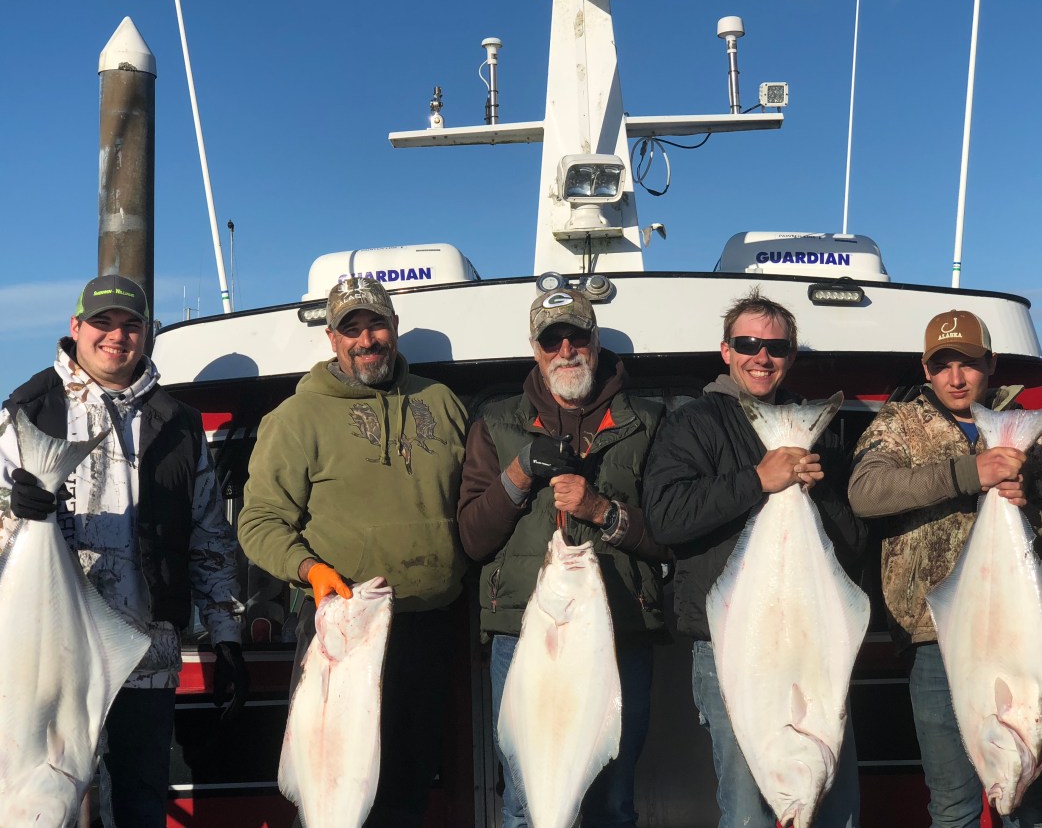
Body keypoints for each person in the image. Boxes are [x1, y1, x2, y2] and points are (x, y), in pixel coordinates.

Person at [0, 274, 247, 827]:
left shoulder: (178, 423)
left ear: (146, 333)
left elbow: (209, 535)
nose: (116, 336)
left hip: (145, 658)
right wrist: (14, 509)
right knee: (45, 802)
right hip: (47, 662)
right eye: (102, 323)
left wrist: (226, 637)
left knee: (140, 804)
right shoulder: (27, 409)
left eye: (130, 325)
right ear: (76, 328)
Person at [238, 275, 468, 828]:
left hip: (426, 628)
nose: (367, 340)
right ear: (332, 339)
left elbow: (473, 502)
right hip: (341, 632)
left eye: (377, 325)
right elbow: (258, 521)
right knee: (331, 789)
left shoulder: (442, 402)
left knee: (408, 792)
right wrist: (309, 569)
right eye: (352, 329)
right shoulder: (296, 418)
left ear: (395, 328)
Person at [642, 289, 865, 828]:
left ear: (790, 356)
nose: (761, 357)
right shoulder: (693, 424)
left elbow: (853, 544)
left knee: (836, 808)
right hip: (734, 648)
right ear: (725, 351)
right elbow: (666, 517)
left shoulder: (808, 430)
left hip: (812, 650)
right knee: (748, 810)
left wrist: (816, 492)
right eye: (748, 344)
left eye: (776, 347)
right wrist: (756, 481)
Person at [848, 309, 1042, 828]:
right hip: (933, 640)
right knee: (952, 803)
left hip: (1026, 637)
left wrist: (1026, 512)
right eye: (942, 364)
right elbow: (866, 493)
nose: (956, 377)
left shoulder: (1036, 436)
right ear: (926, 369)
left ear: (989, 365)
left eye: (968, 364)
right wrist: (970, 473)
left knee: (1030, 798)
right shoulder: (898, 424)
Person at [457, 287, 668, 828]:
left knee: (613, 800)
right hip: (526, 637)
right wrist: (519, 474)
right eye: (553, 339)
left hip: (619, 633)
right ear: (535, 348)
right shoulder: (495, 424)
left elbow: (670, 533)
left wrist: (602, 510)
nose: (567, 349)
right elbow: (473, 538)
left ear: (596, 342)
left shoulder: (649, 421)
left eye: (578, 337)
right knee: (527, 801)